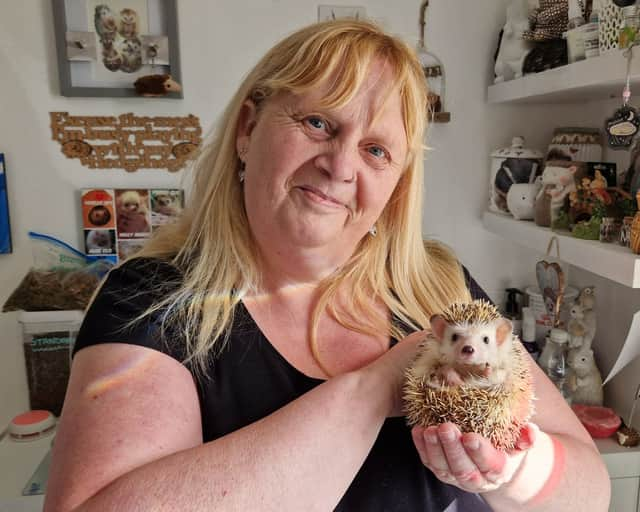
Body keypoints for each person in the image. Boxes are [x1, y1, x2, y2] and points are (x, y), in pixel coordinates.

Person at [45, 19, 610, 511]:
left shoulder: (439, 286)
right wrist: (379, 385)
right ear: (247, 129)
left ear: (396, 185)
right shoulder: (151, 303)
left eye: (376, 150)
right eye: (319, 123)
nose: (340, 166)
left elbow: (590, 492)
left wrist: (512, 474)